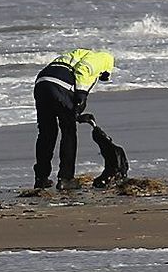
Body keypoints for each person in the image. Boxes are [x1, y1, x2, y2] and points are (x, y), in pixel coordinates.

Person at [33, 48, 114, 190]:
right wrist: (82, 94)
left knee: (47, 133)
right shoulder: (101, 58)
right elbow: (84, 69)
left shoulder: (73, 55)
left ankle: (41, 178)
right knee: (68, 132)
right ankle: (66, 178)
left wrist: (76, 113)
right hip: (60, 85)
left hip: (42, 84)